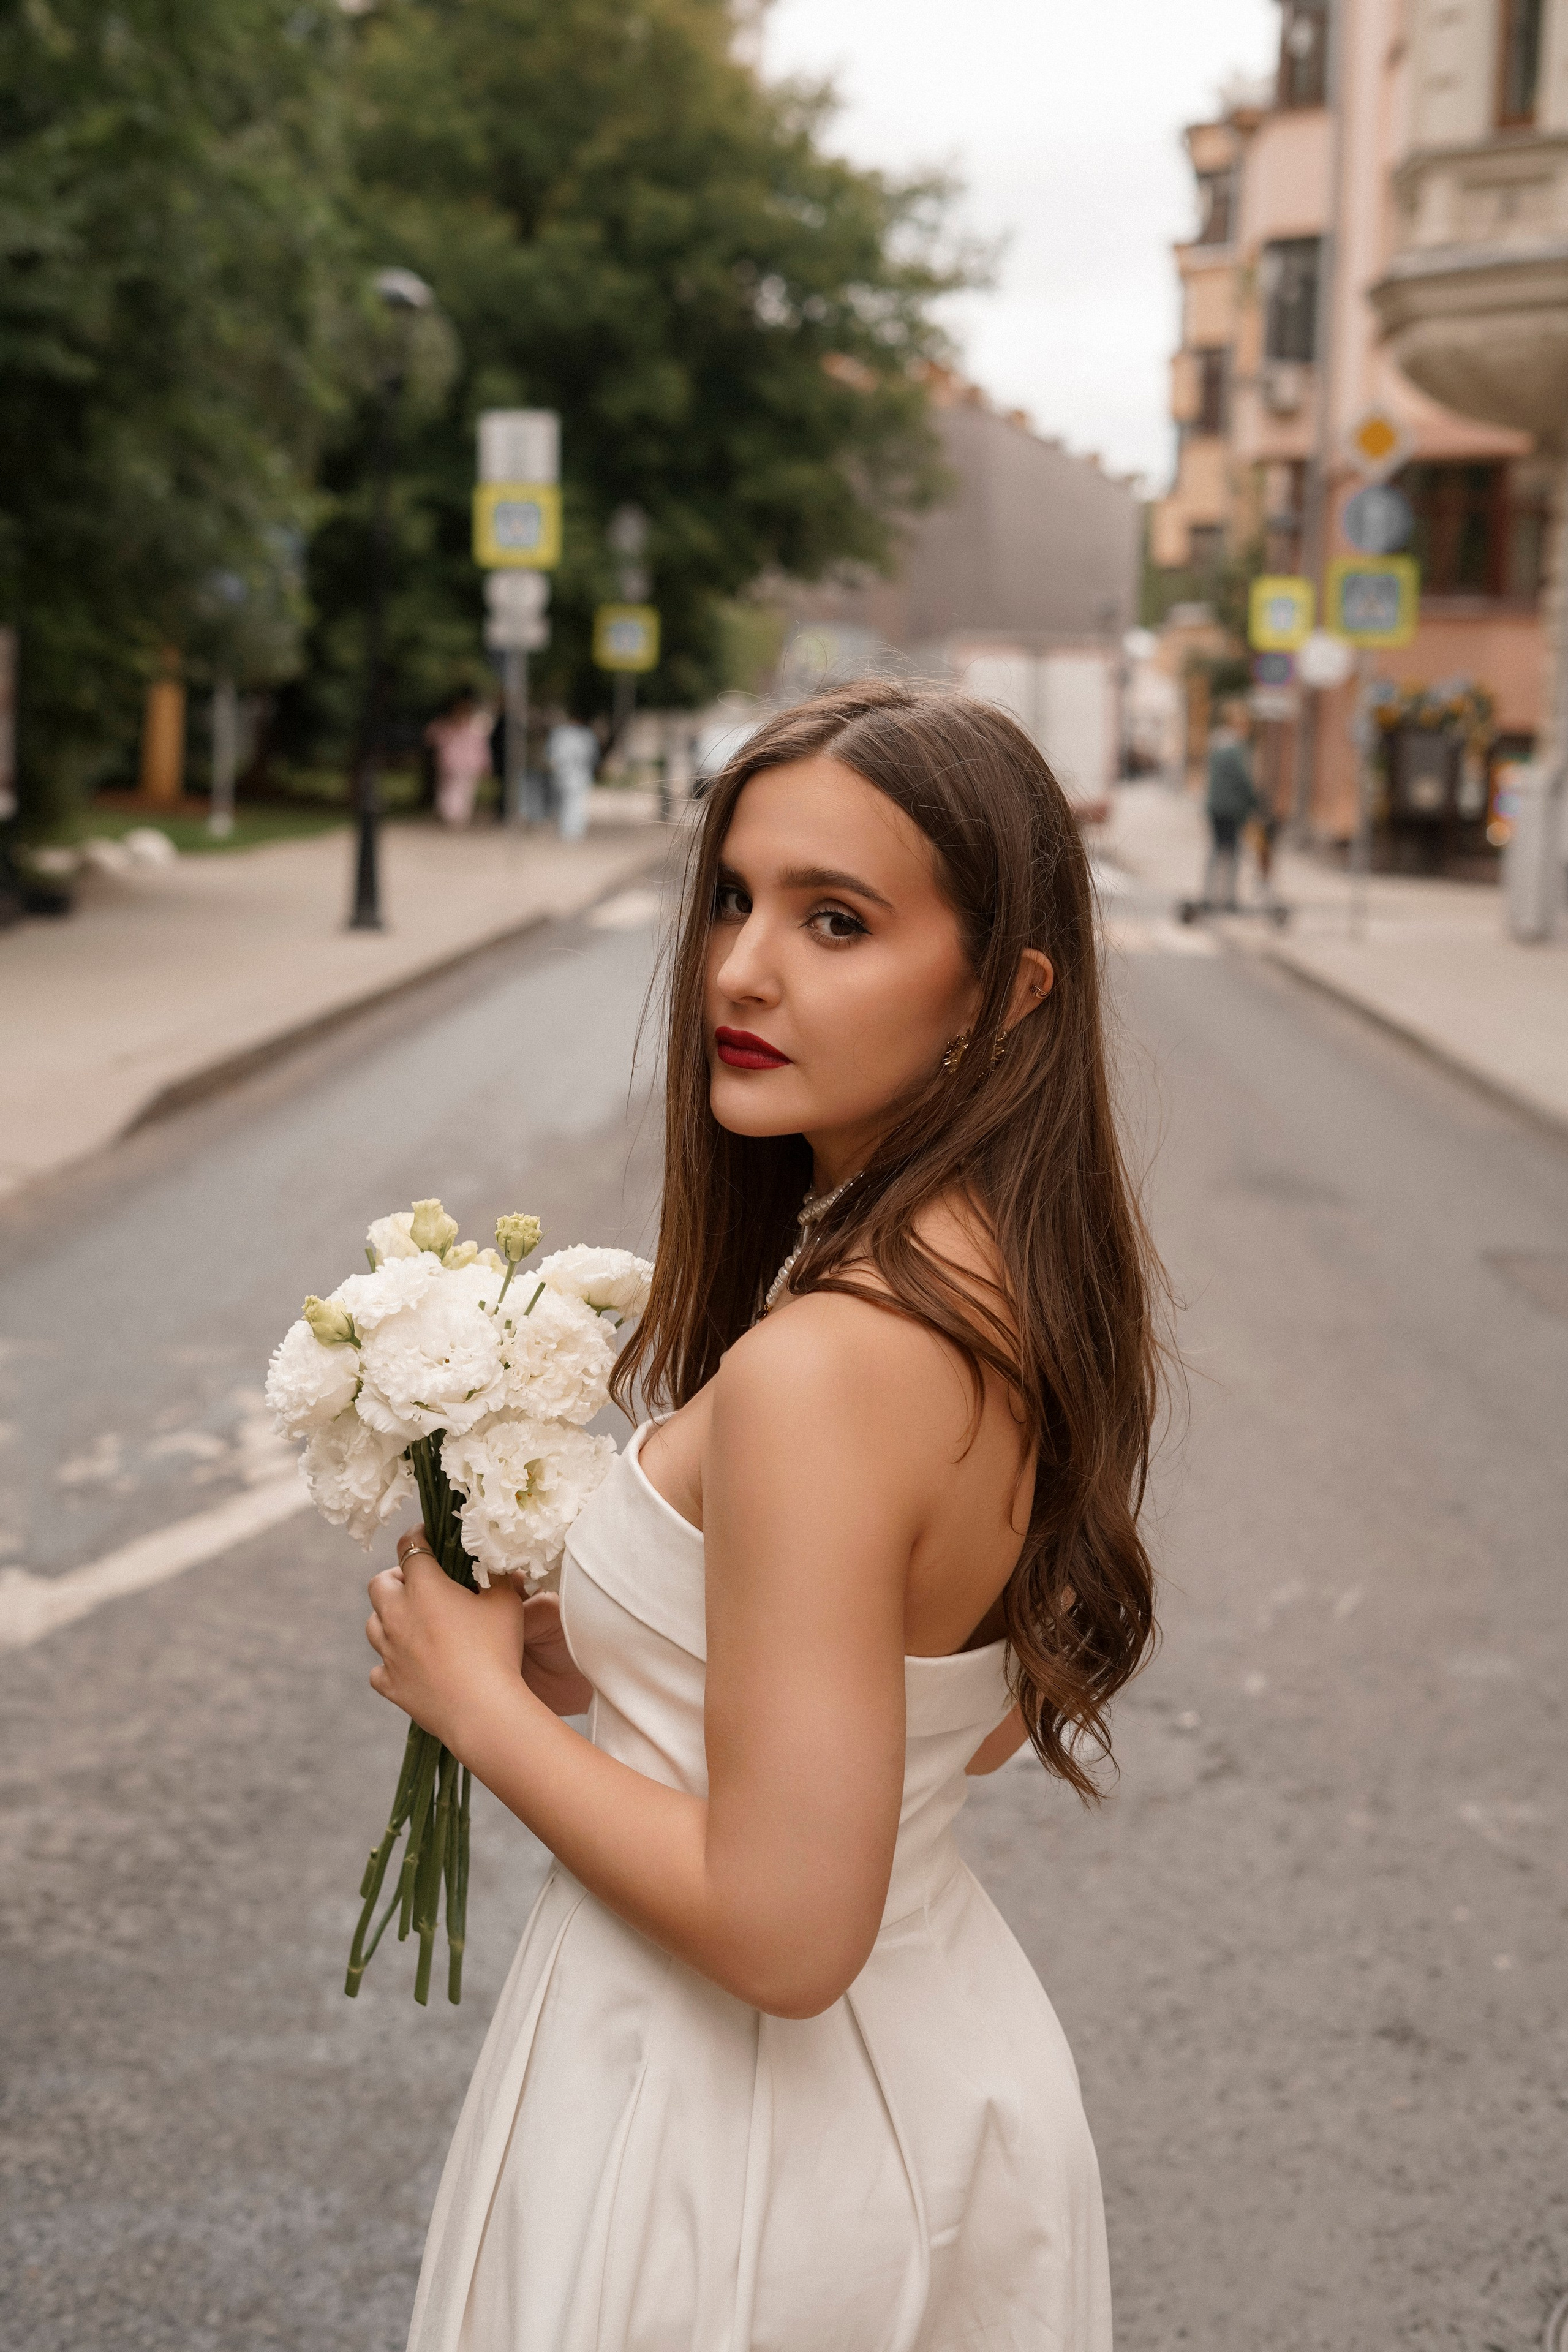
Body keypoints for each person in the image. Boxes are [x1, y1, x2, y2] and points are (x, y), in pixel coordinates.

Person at [368, 680, 1165, 2351]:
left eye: (837, 919)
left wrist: (476, 1701)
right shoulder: (999, 1278)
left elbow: (790, 1932)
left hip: (740, 2141)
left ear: (1001, 996)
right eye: (735, 896)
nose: (740, 967)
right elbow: (967, 1706)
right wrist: (637, 1658)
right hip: (934, 2084)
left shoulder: (832, 1360)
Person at [1203, 697, 1258, 910]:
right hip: (1232, 809)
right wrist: (1254, 801)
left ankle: (1208, 895)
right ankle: (1229, 898)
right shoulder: (1235, 749)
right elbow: (1242, 779)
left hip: (1215, 807)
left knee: (1216, 850)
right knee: (1233, 852)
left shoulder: (1216, 744)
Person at [424, 690, 497, 828]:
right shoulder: (446, 724)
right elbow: (431, 737)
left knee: (464, 792)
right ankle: (452, 816)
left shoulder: (473, 726)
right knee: (450, 791)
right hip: (451, 763)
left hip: (466, 763)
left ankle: (457, 817)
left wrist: (485, 764)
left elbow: (481, 748)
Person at [546, 713, 599, 842]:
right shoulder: (586, 735)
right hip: (578, 775)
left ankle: (567, 831)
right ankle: (574, 832)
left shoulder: (560, 734)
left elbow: (551, 755)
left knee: (565, 803)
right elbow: (593, 756)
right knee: (576, 803)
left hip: (564, 775)